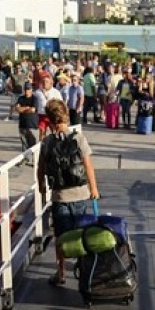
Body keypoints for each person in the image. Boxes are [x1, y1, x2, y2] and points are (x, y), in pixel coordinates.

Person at [37, 99, 99, 286]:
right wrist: (93, 188)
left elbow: (41, 168)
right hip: (80, 194)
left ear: (49, 119)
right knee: (81, 233)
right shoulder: (78, 138)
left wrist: (41, 185)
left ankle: (61, 272)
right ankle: (84, 269)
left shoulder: (47, 142)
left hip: (60, 196)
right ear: (65, 115)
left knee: (61, 236)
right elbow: (88, 166)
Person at [15, 82, 38, 165]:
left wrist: (22, 109)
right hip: (22, 124)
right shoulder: (21, 98)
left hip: (32, 125)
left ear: (31, 90)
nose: (27, 91)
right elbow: (17, 109)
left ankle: (35, 160)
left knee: (33, 144)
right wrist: (26, 108)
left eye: (28, 89)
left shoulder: (34, 98)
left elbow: (33, 110)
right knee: (24, 143)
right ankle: (25, 158)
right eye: (25, 89)